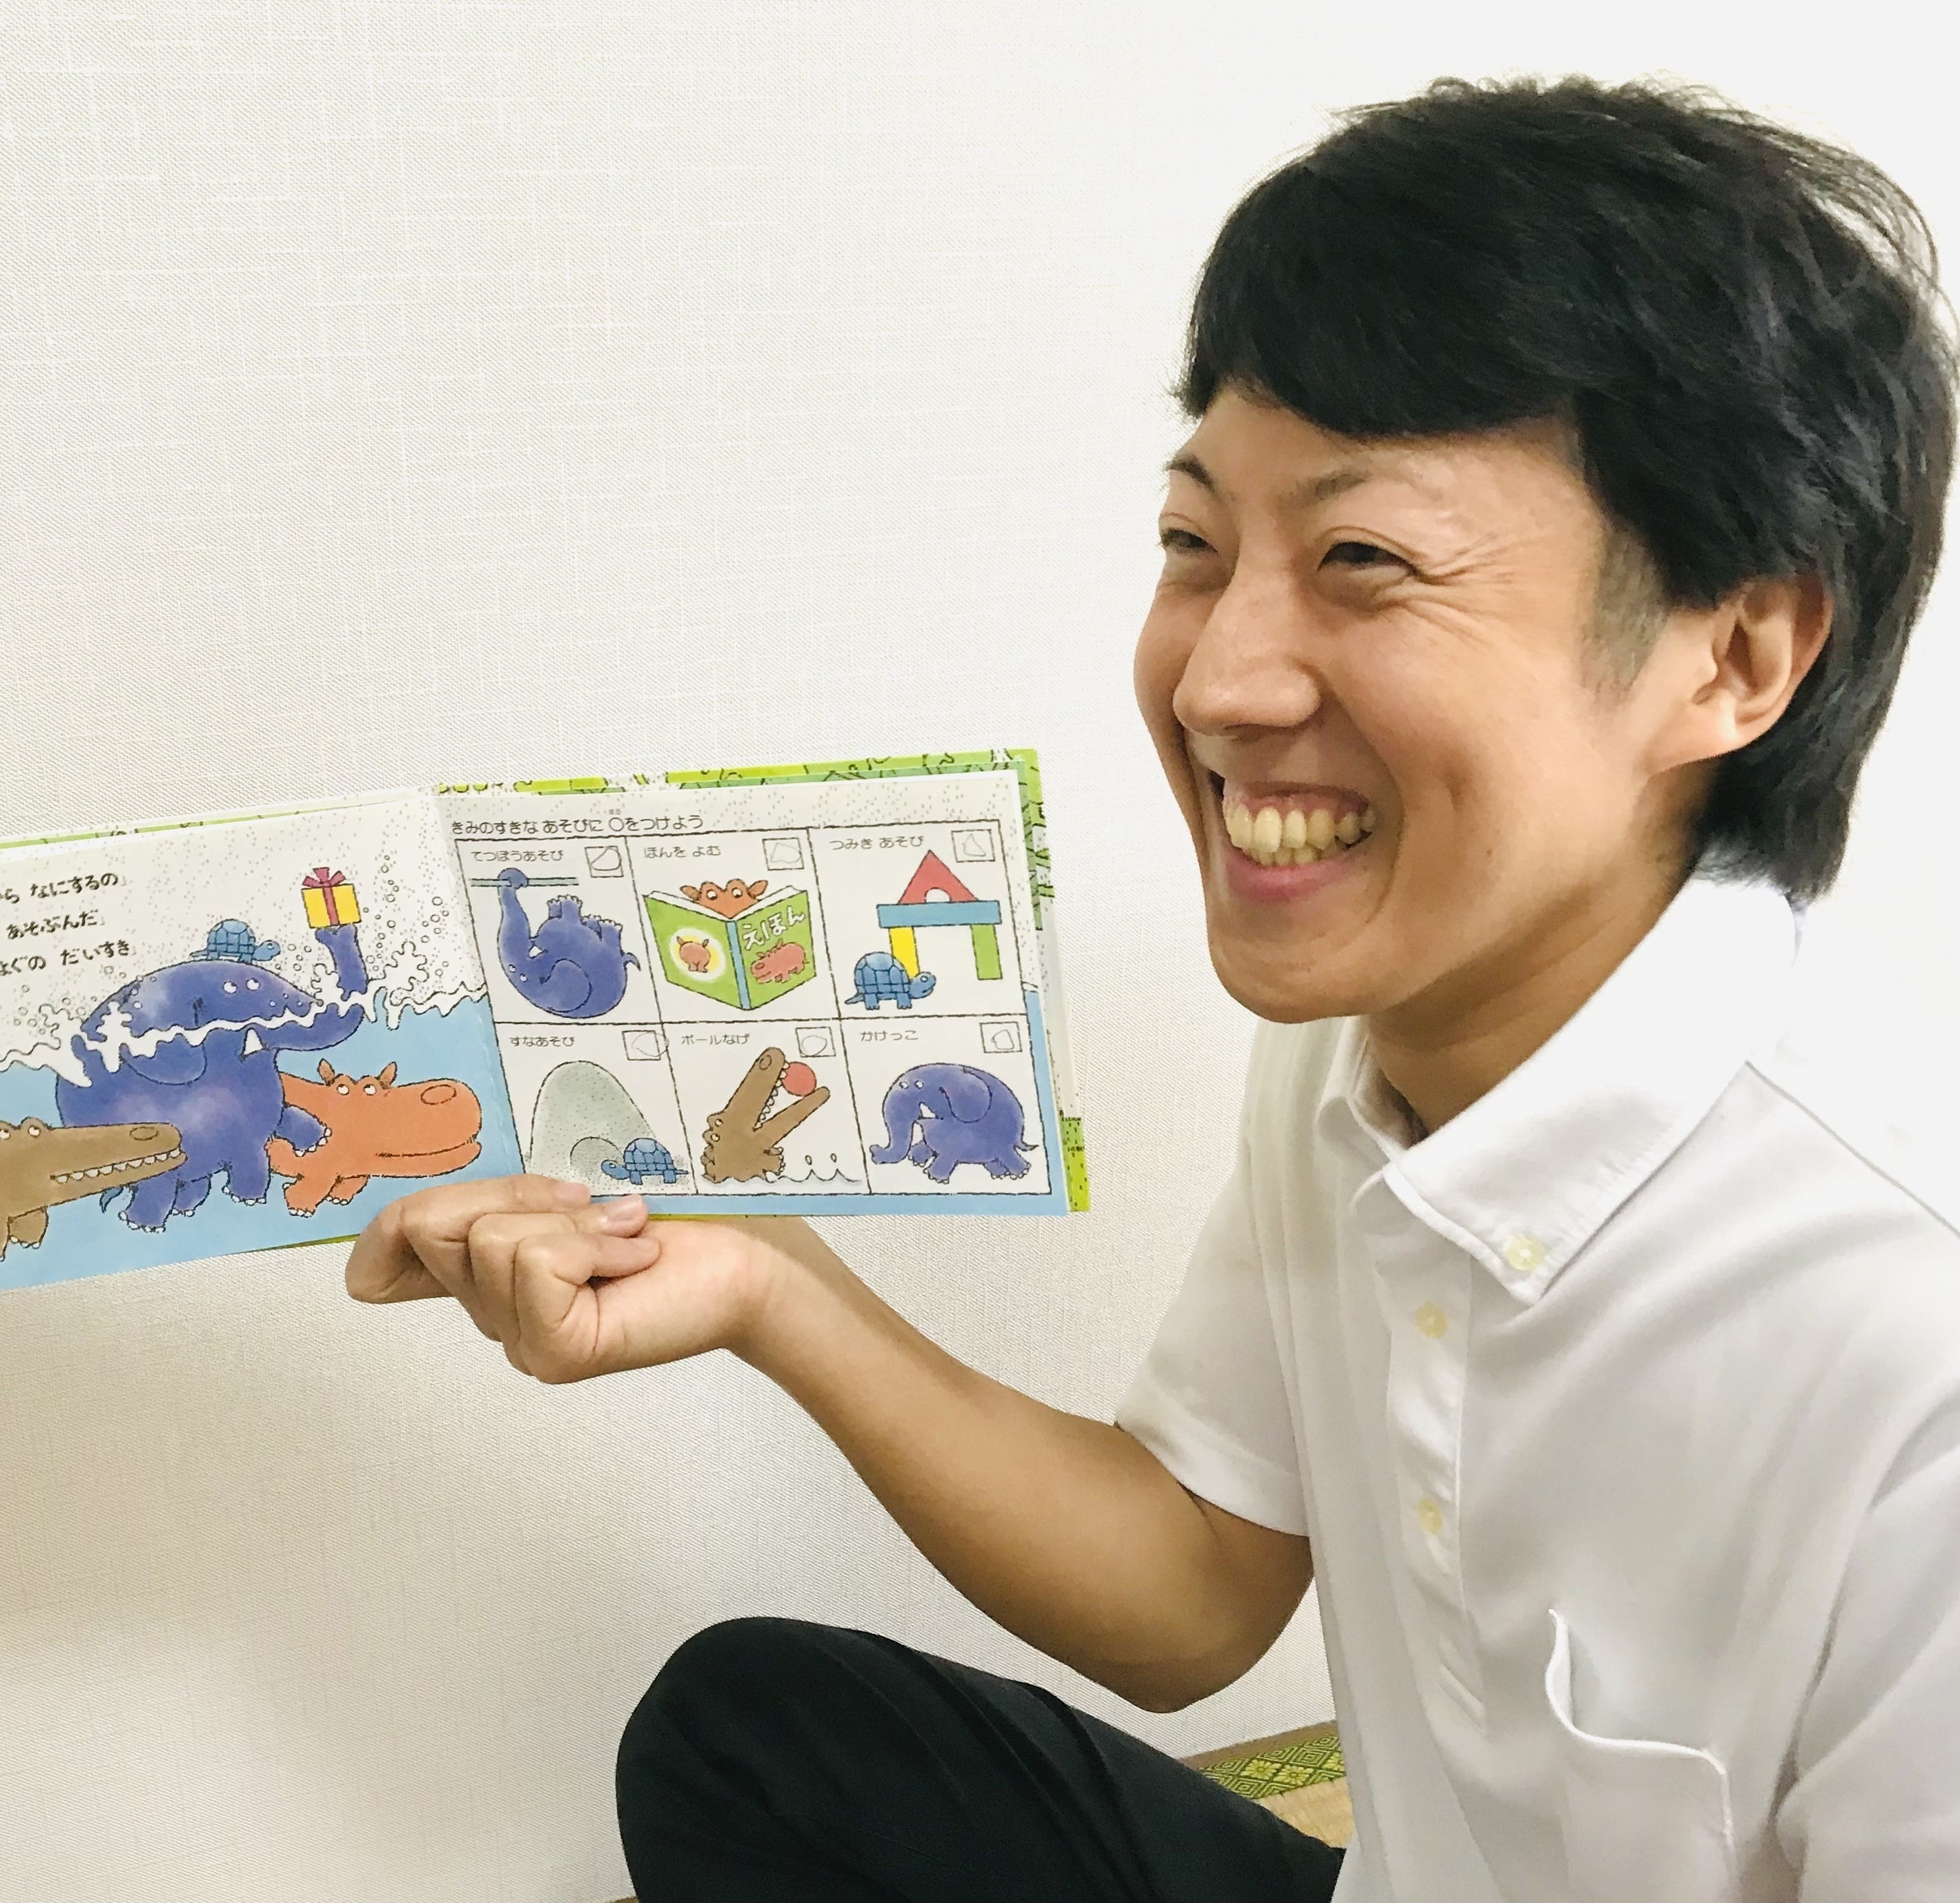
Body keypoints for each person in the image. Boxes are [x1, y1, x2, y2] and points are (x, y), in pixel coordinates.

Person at [344, 74, 1959, 1902]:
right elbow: (1196, 1587)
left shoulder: (1912, 1342)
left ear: (1734, 656)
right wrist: (769, 1287)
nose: (1218, 680)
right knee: (756, 1734)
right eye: (1198, 547)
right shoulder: (1367, 1048)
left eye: (1364, 561)